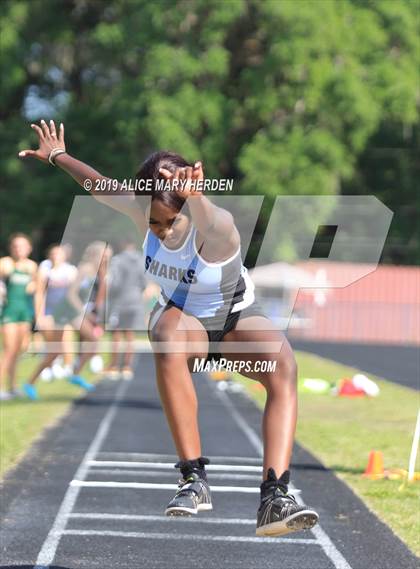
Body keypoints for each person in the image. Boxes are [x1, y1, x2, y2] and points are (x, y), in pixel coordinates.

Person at [18, 119, 319, 537]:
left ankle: (274, 496)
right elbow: (99, 184)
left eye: (171, 223)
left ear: (188, 208)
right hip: (186, 323)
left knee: (283, 366)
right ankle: (193, 479)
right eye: (155, 223)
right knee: (165, 332)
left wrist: (196, 196)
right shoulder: (145, 213)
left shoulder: (219, 228)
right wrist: (58, 156)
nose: (162, 231)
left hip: (235, 320)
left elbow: (211, 221)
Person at [22, 241, 108, 400]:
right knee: (55, 351)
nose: (107, 258)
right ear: (96, 255)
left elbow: (99, 291)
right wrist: (83, 311)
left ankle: (74, 374)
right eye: (104, 255)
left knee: (94, 340)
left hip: (72, 311)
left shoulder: (100, 271)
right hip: (66, 311)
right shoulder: (83, 269)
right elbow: (71, 293)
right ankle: (30, 383)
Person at [104, 238, 149, 380]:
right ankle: (127, 367)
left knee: (116, 334)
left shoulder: (117, 260)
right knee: (130, 335)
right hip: (135, 300)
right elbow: (144, 283)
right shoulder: (142, 260)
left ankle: (114, 366)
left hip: (120, 301)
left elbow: (114, 283)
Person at [0, 233, 37, 399]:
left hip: (25, 312)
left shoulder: (32, 266)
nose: (18, 249)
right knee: (8, 350)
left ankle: (13, 386)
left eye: (22, 246)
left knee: (19, 350)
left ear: (29, 248)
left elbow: (37, 288)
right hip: (9, 311)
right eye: (15, 246)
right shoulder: (5, 263)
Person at [36, 243, 77, 379]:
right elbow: (41, 292)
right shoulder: (45, 268)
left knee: (66, 338)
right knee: (49, 339)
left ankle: (68, 366)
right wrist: (39, 314)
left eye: (59, 254)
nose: (56, 257)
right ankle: (50, 365)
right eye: (53, 254)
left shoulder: (70, 270)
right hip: (48, 310)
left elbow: (73, 292)